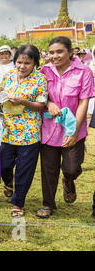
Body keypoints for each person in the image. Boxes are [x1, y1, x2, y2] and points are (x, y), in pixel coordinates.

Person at [36, 36, 94, 218]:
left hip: (73, 128)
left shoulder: (84, 72)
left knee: (71, 168)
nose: (55, 56)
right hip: (48, 129)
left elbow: (83, 102)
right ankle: (48, 204)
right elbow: (36, 94)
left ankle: (68, 181)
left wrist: (75, 131)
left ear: (71, 52)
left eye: (59, 51)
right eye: (51, 52)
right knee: (49, 169)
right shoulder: (43, 71)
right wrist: (49, 102)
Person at [0, 45, 48, 218]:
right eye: (19, 62)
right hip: (7, 131)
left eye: (27, 63)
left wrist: (23, 101)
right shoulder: (8, 76)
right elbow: (1, 95)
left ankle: (18, 202)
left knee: (24, 170)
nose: (22, 66)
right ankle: (8, 182)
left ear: (34, 63)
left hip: (29, 132)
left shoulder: (40, 79)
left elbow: (41, 105)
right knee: (5, 166)